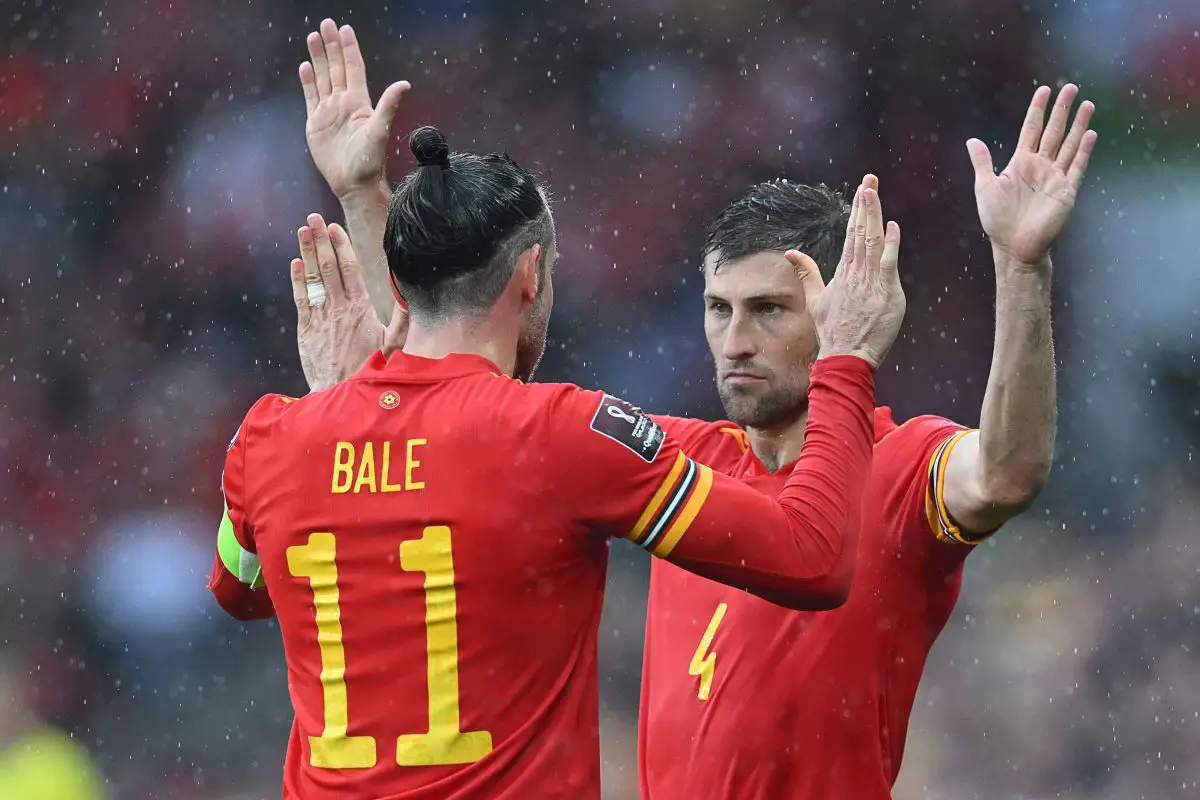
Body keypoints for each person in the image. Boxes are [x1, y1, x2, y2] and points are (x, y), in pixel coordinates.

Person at [287, 19, 1096, 796]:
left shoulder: (902, 461)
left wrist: (1021, 267)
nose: (735, 339)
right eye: (718, 309)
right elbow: (455, 390)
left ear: (840, 304)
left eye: (769, 310)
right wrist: (365, 195)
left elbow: (1007, 471)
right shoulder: (683, 458)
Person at [207, 115, 907, 799]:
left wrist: (338, 400)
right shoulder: (561, 437)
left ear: (397, 287)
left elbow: (243, 590)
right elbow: (813, 558)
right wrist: (844, 357)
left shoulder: (269, 438)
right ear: (530, 275)